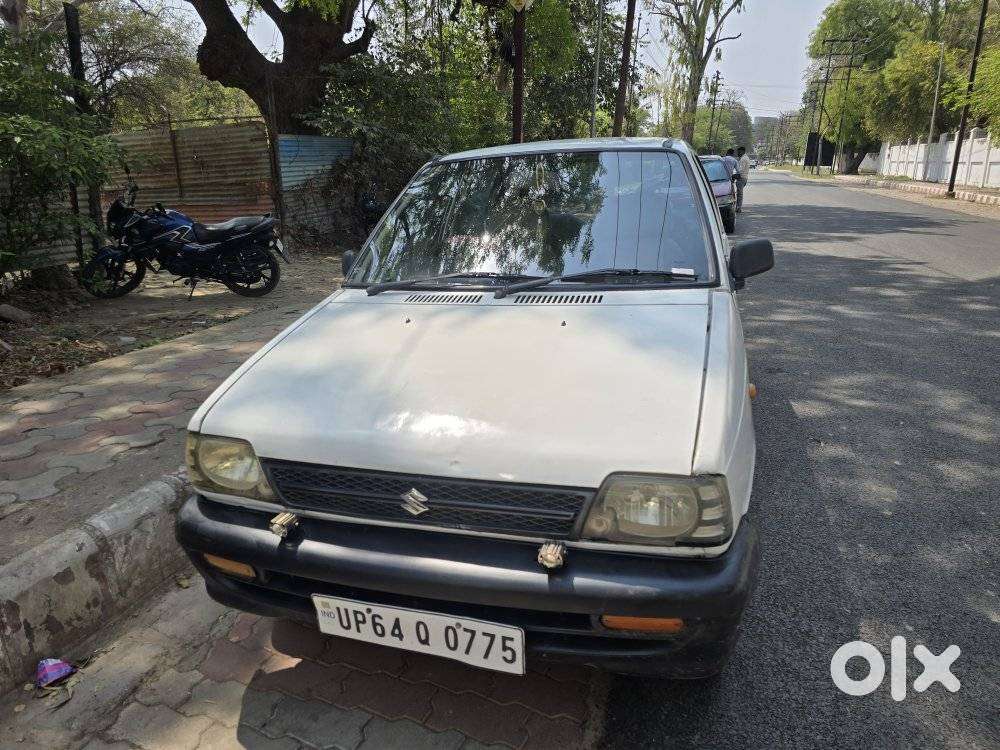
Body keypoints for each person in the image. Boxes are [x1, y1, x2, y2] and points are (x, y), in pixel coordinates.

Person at [736, 146, 751, 213]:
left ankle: (739, 208)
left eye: (739, 152)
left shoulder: (743, 159)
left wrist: (734, 175)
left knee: (739, 194)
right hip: (744, 178)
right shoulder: (745, 158)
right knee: (739, 193)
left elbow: (740, 170)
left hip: (741, 178)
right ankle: (738, 207)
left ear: (742, 151)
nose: (738, 153)